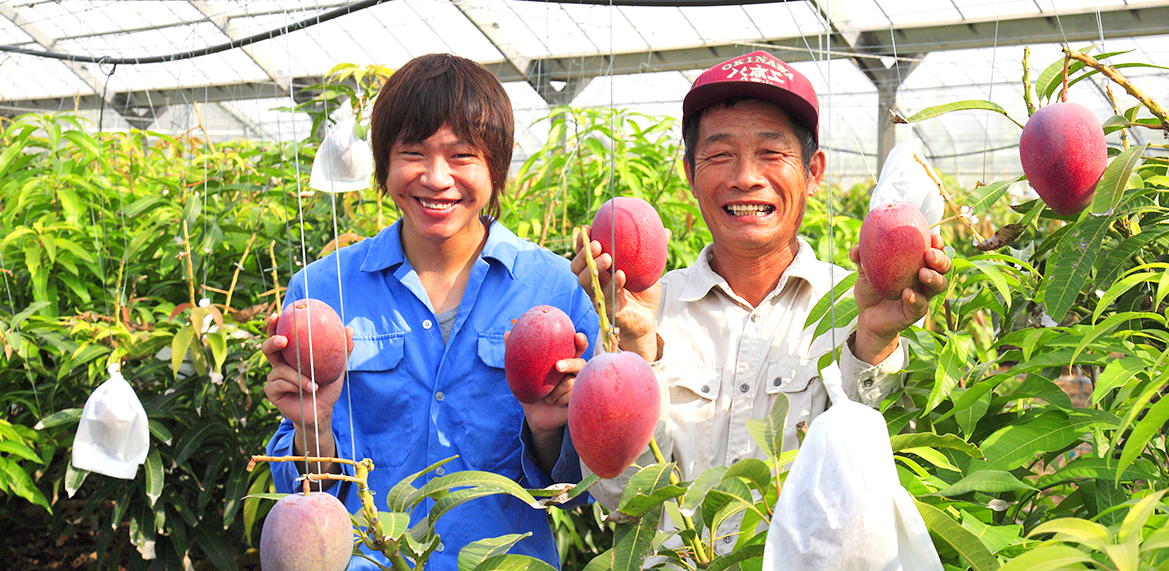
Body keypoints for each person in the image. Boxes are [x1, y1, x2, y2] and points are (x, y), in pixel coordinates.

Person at [569, 50, 951, 548]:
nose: (745, 176)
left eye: (772, 153)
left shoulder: (861, 308)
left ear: (813, 171)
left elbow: (887, 486)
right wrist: (637, 348)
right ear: (689, 172)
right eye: (720, 154)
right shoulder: (648, 310)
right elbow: (619, 500)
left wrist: (874, 344)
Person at [263, 53, 598, 570]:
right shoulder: (322, 291)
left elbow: (580, 491)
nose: (436, 178)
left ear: (496, 167)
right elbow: (301, 493)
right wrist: (313, 429)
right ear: (384, 164)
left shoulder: (554, 289)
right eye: (412, 153)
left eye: (462, 155)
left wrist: (548, 430)